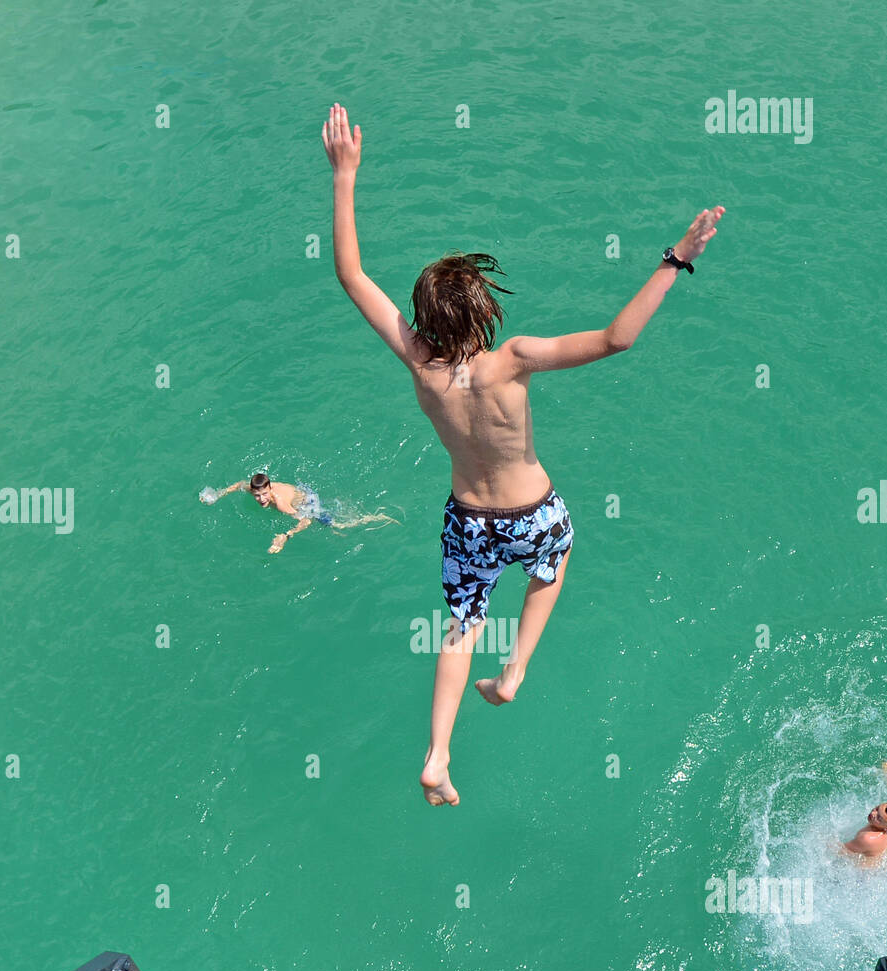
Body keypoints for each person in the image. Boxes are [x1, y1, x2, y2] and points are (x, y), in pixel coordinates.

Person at [320, 102, 724, 805]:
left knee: (459, 627)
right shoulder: (515, 360)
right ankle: (513, 674)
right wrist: (675, 260)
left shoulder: (419, 362)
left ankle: (439, 755)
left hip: (466, 519)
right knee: (556, 560)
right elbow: (615, 338)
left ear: (426, 320)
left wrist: (345, 175)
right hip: (530, 512)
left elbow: (352, 274)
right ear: (483, 314)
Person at [201, 471, 393, 553]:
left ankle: (376, 518)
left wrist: (286, 535)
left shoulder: (281, 504)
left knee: (336, 524)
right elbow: (238, 484)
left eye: (265, 495)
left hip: (306, 502)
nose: (261, 499)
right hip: (297, 493)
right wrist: (219, 494)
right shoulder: (252, 488)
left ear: (270, 489)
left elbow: (306, 520)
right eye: (257, 495)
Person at [842, 761, 887, 858]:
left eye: (879, 818)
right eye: (877, 808)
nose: (873, 813)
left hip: (865, 870)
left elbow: (841, 851)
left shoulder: (867, 838)